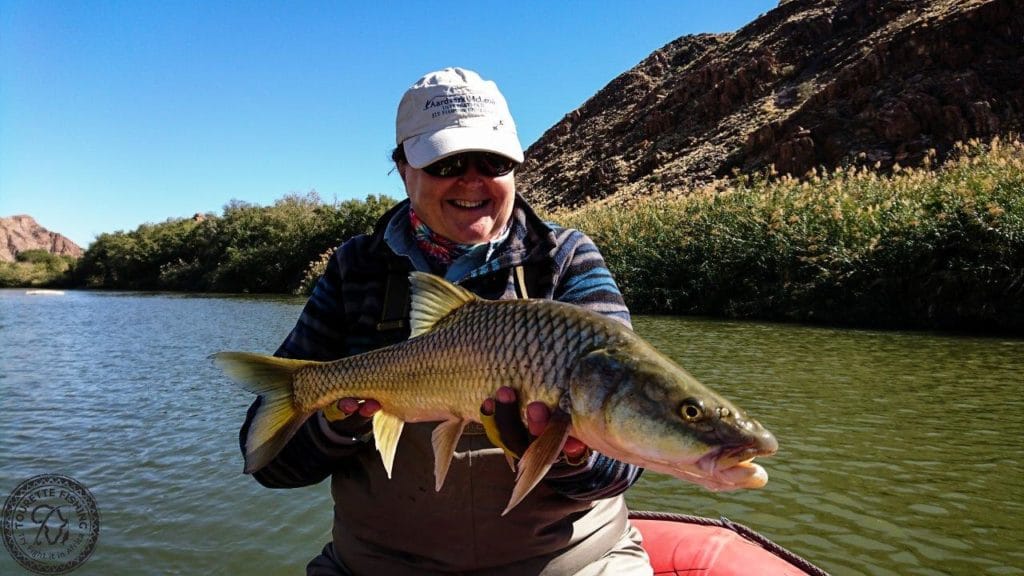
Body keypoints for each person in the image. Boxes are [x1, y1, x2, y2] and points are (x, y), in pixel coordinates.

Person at [240, 67, 650, 575]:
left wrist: (565, 453)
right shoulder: (355, 269)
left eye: (493, 160)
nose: (473, 178)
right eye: (447, 161)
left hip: (569, 562)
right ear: (402, 166)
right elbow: (271, 468)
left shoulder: (566, 258)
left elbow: (623, 467)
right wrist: (338, 423)